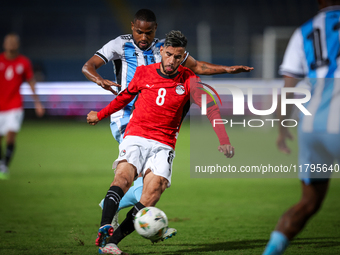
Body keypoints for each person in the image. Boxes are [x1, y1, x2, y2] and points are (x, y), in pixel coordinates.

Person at [82, 8, 253, 229]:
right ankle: (142, 222)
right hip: (126, 115)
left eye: (149, 33)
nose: (144, 38)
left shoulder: (167, 47)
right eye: (139, 32)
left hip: (157, 116)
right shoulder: (118, 44)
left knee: (152, 181)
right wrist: (100, 80)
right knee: (142, 179)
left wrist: (227, 70)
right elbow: (88, 66)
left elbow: (198, 66)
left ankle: (122, 210)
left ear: (155, 31)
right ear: (132, 28)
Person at [263, 1, 340, 254]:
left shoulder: (304, 31)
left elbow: (288, 89)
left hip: (310, 125)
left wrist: (283, 128)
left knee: (309, 202)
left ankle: (272, 250)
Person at [0, 33, 45, 180]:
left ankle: (4, 166)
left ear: (18, 44)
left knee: (11, 136)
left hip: (14, 105)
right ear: (4, 44)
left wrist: (37, 103)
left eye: (14, 42)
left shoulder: (24, 62)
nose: (11, 44)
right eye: (9, 41)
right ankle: (2, 163)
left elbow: (31, 82)